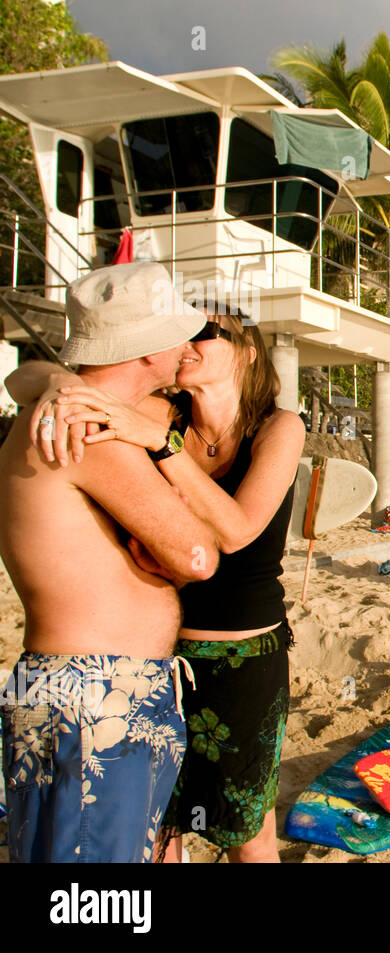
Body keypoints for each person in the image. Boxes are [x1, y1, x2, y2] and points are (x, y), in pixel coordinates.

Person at [22, 296, 306, 863]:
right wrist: (58, 382)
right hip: (160, 666)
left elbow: (238, 531)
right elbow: (19, 373)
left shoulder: (278, 427)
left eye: (207, 332)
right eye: (185, 332)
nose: (190, 344)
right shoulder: (159, 411)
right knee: (158, 828)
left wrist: (162, 446)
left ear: (247, 351)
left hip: (242, 660)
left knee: (244, 831)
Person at [0, 262, 220, 862]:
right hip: (94, 694)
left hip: (88, 688)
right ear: (148, 348)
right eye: (180, 333)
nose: (188, 347)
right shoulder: (89, 427)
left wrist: (51, 381)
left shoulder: (68, 409)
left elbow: (27, 375)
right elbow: (197, 555)